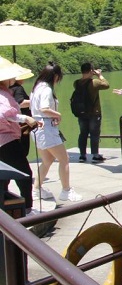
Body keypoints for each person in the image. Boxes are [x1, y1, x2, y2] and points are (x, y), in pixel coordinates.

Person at [30, 62, 82, 202]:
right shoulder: (46, 89)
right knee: (64, 159)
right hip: (46, 127)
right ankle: (66, 190)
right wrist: (58, 115)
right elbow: (44, 108)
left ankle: (36, 189)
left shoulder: (36, 88)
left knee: (47, 160)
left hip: (37, 127)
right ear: (55, 76)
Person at [0, 61, 39, 213]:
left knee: (4, 176)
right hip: (7, 139)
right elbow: (4, 114)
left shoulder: (4, 92)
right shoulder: (3, 94)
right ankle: (28, 210)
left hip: (3, 140)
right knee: (24, 174)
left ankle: (4, 209)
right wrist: (25, 119)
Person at [74, 62, 109, 163]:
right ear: (91, 71)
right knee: (94, 133)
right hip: (94, 112)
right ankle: (95, 155)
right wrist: (99, 75)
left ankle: (82, 155)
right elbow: (106, 85)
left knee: (83, 133)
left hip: (81, 112)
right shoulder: (95, 82)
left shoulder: (76, 83)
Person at [8, 65, 33, 157]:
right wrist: (34, 101)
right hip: (22, 122)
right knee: (24, 147)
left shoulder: (7, 89)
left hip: (11, 122)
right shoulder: (18, 88)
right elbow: (20, 102)